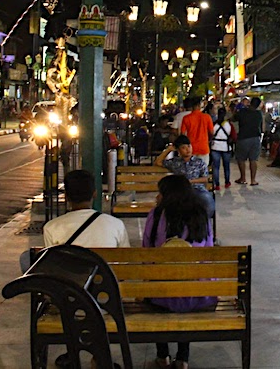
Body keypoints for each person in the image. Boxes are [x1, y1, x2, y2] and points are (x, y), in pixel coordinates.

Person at [143, 174, 216, 369]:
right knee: (186, 287)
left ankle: (163, 355)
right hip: (198, 294)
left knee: (159, 286)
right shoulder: (201, 215)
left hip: (161, 295)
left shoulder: (157, 215)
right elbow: (208, 252)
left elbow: (147, 251)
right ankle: (183, 358)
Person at [42, 169, 130, 250]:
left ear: (66, 196)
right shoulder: (116, 225)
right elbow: (126, 258)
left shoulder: (51, 228)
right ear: (94, 194)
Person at [154, 135, 214, 217]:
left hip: (197, 189)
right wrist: (169, 149)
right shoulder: (175, 162)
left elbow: (205, 178)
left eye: (189, 146)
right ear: (178, 150)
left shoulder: (199, 162)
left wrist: (190, 181)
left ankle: (204, 223)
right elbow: (158, 162)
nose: (187, 149)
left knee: (207, 199)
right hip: (180, 191)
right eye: (183, 147)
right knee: (168, 202)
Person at [233, 96, 264, 186]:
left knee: (241, 159)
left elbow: (233, 118)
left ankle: (243, 178)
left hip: (243, 138)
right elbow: (262, 127)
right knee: (253, 159)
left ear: (250, 102)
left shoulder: (242, 112)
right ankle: (253, 180)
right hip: (255, 138)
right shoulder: (259, 114)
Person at [180, 96, 213, 165]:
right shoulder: (207, 117)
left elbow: (182, 134)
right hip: (204, 147)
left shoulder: (186, 118)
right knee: (203, 171)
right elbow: (211, 132)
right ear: (199, 105)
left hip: (191, 149)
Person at [209, 108, 234, 189]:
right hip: (226, 147)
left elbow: (210, 135)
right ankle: (227, 182)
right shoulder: (229, 124)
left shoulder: (213, 124)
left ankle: (217, 185)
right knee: (226, 166)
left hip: (215, 147)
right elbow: (234, 136)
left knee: (216, 167)